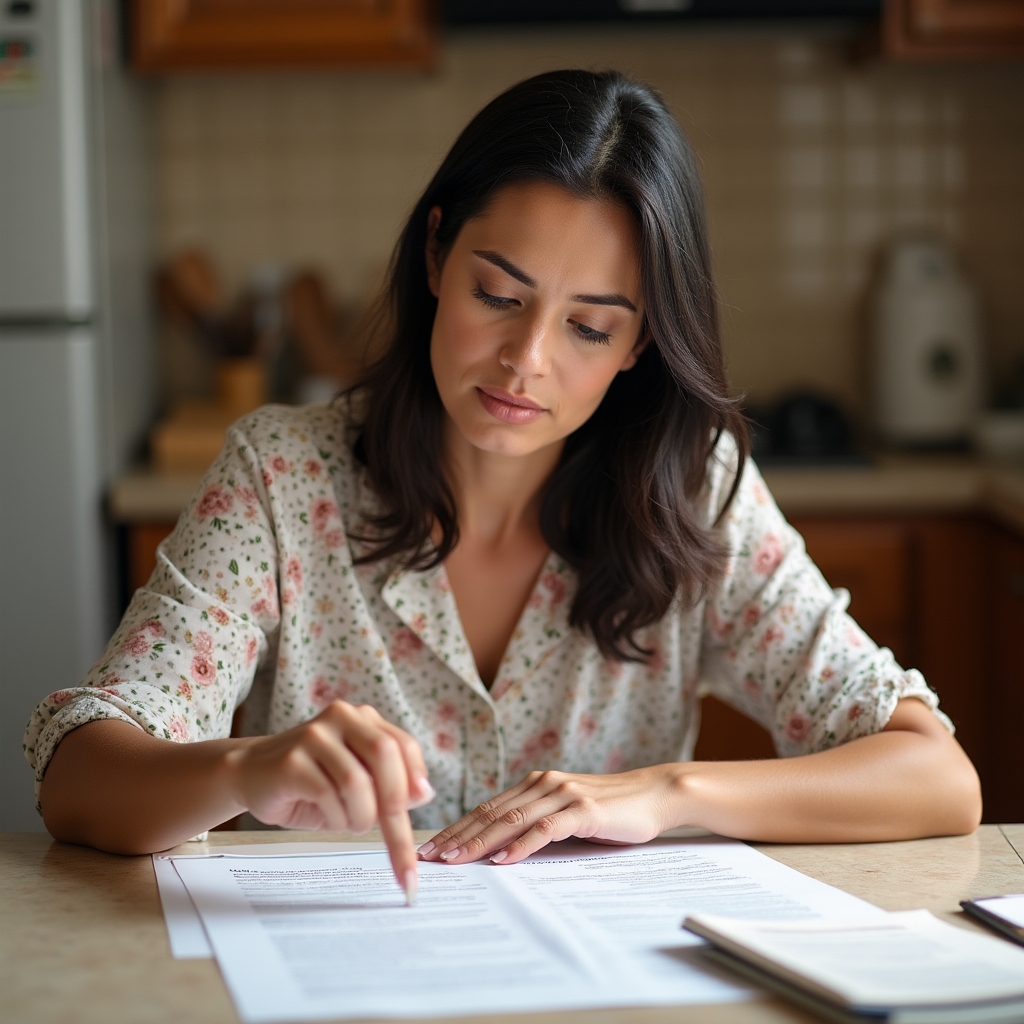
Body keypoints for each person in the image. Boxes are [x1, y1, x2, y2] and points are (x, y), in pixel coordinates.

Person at [27, 70, 981, 905]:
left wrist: (668, 793)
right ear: (438, 254)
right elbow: (77, 778)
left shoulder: (697, 496)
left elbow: (936, 777)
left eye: (590, 327)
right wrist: (242, 768)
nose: (526, 360)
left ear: (641, 341)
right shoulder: (281, 475)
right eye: (499, 295)